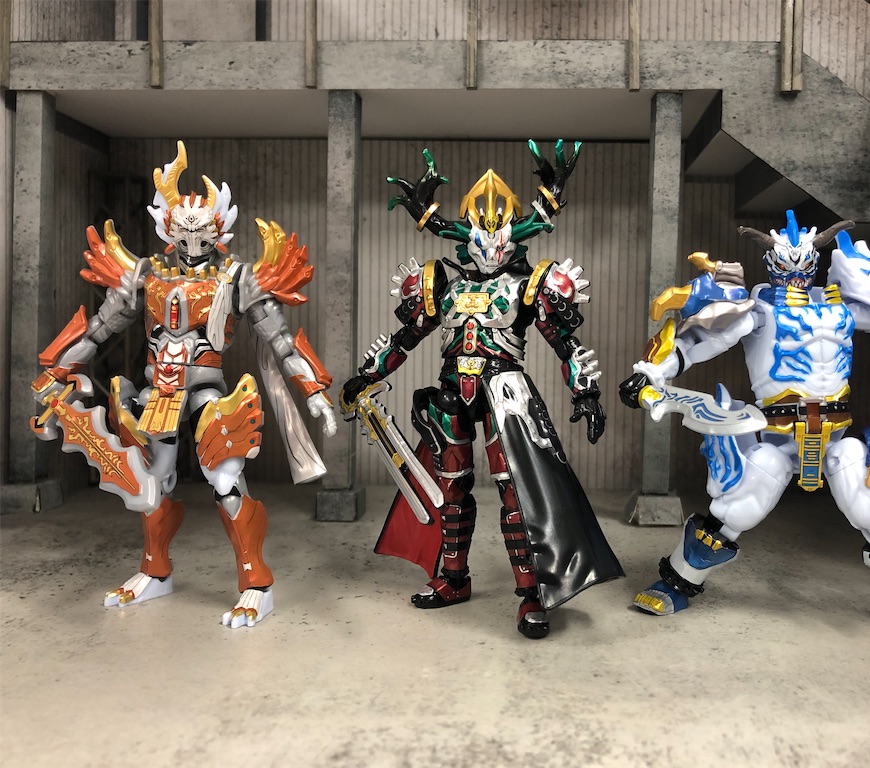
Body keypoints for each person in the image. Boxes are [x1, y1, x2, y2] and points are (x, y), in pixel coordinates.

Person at [619, 210, 870, 636]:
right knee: (735, 509)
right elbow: (697, 341)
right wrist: (650, 372)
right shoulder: (758, 310)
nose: (795, 272)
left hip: (836, 434)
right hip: (778, 436)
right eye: (786, 262)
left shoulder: (842, 309)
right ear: (772, 263)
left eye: (803, 262)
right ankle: (675, 584)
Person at [32, 141, 336, 628]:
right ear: (167, 228)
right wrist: (56, 371)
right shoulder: (145, 275)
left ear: (219, 229)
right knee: (153, 481)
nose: (192, 240)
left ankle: (256, 584)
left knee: (226, 479)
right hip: (159, 393)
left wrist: (314, 390)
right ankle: (155, 571)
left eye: (202, 231)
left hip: (207, 392)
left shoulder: (234, 278)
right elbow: (98, 330)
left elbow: (280, 339)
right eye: (183, 230)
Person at [342, 141, 622, 639]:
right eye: (481, 236)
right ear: (466, 237)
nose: (492, 248)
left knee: (518, 495)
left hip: (504, 396)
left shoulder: (529, 284)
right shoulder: (443, 284)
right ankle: (454, 577)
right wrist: (369, 374)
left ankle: (532, 592)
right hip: (452, 394)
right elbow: (406, 337)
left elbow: (564, 341)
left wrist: (586, 392)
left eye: (501, 236)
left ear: (513, 237)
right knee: (451, 489)